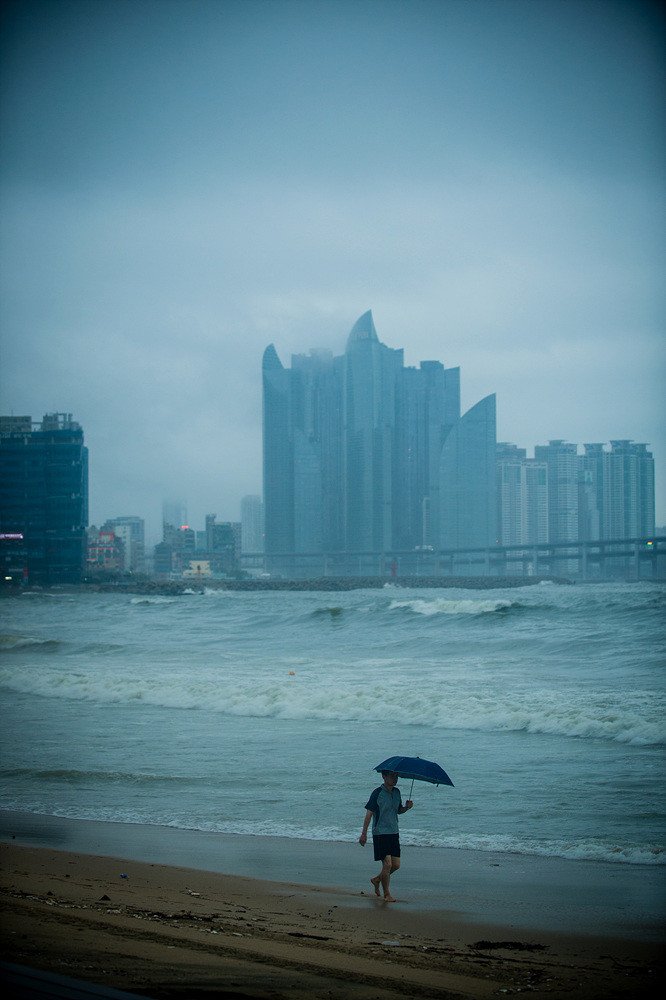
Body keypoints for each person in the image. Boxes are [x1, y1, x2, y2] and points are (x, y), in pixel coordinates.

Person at [358, 769, 413, 902]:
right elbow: (369, 814)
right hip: (380, 833)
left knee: (396, 865)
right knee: (387, 865)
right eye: (392, 776)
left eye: (396, 776)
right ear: (384, 776)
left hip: (394, 832)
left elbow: (398, 810)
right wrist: (364, 834)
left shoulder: (397, 792)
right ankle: (387, 894)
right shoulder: (377, 793)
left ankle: (377, 879)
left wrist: (406, 807)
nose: (395, 778)